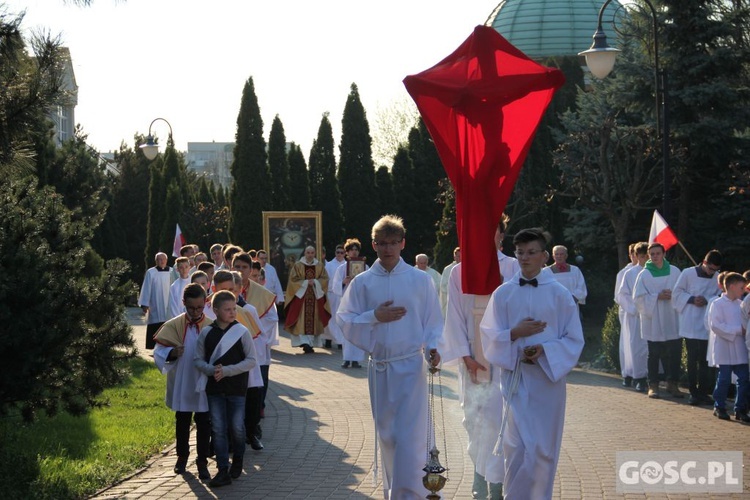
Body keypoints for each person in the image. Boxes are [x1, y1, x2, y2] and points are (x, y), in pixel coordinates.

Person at [337, 215, 443, 499]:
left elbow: (434, 321)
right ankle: (394, 491)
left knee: (411, 437)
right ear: (373, 245)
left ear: (403, 243)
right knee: (389, 437)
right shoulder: (362, 283)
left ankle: (413, 494)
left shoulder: (420, 280)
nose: (387, 249)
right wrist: (375, 316)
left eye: (393, 243)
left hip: (411, 366)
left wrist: (434, 347)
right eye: (382, 243)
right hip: (381, 368)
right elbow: (345, 320)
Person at [480, 228, 584, 500]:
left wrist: (544, 351)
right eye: (520, 253)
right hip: (514, 379)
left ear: (544, 256)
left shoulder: (560, 295)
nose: (525, 258)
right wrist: (514, 334)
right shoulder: (503, 294)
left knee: (542, 449)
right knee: (514, 446)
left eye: (531, 252)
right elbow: (489, 336)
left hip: (547, 383)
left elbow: (574, 339)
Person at [194, 290, 258, 487]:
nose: (232, 313)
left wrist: (228, 371)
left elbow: (251, 360)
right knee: (219, 429)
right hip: (215, 389)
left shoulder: (242, 332)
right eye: (227, 309)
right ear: (215, 310)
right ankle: (223, 470)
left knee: (237, 428)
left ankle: (237, 460)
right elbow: (197, 360)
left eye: (234, 309)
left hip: (237, 389)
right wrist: (212, 370)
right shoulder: (207, 332)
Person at [153, 283, 213, 480]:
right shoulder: (174, 325)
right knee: (182, 420)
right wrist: (172, 352)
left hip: (203, 381)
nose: (195, 312)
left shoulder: (212, 326)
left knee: (204, 422)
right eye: (191, 307)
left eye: (199, 307)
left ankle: (202, 460)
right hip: (182, 379)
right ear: (183, 304)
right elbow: (159, 352)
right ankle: (181, 457)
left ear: (205, 303)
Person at [633, 242, 684, 399]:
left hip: (671, 317)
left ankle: (672, 383)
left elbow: (683, 291)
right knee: (653, 353)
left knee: (674, 352)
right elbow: (638, 298)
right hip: (653, 319)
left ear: (664, 254)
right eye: (652, 254)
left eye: (658, 253)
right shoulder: (644, 274)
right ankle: (653, 385)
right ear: (649, 255)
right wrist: (657, 297)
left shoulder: (675, 271)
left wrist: (673, 295)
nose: (655, 256)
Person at [672, 250, 722, 405]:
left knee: (705, 360)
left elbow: (720, 294)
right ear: (704, 262)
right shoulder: (688, 273)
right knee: (692, 359)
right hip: (690, 322)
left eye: (715, 270)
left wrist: (708, 300)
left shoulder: (717, 276)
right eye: (710, 269)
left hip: (707, 323)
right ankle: (693, 392)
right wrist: (692, 299)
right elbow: (677, 293)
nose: (713, 272)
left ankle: (703, 391)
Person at [707, 273, 749, 422]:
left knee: (744, 379)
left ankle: (740, 409)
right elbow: (716, 326)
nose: (744, 290)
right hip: (724, 347)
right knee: (724, 379)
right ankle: (719, 406)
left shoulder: (741, 304)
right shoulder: (717, 304)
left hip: (739, 348)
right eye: (741, 287)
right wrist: (738, 330)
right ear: (731, 286)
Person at [284, 246, 331, 353]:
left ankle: (311, 343)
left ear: (315, 253)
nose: (310, 254)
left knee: (314, 320)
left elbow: (325, 279)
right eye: (308, 252)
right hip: (301, 299)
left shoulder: (319, 265)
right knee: (301, 320)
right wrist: (305, 283)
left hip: (315, 297)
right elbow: (292, 280)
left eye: (312, 252)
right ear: (304, 253)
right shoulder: (298, 265)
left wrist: (315, 282)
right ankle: (304, 343)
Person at [616, 242, 650, 392]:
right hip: (635, 316)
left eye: (648, 256)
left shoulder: (655, 272)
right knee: (635, 347)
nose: (646, 259)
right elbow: (622, 295)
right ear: (636, 257)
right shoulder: (629, 273)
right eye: (643, 256)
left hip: (652, 316)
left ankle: (654, 376)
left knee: (651, 348)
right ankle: (638, 377)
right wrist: (634, 309)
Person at [331, 238, 367, 369]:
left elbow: (370, 283)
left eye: (356, 250)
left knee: (358, 330)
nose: (355, 252)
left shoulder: (365, 267)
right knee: (346, 330)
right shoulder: (342, 269)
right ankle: (346, 358)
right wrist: (343, 282)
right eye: (352, 250)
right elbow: (335, 286)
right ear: (347, 252)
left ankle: (357, 359)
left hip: (359, 303)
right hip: (346, 302)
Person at [138, 252, 172, 350]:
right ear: (156, 261)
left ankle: (168, 345)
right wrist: (145, 304)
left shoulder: (172, 271)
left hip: (168, 302)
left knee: (168, 322)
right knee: (155, 322)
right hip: (155, 303)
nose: (161, 261)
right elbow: (146, 288)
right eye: (159, 259)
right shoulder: (151, 272)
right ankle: (153, 346)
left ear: (166, 260)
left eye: (163, 259)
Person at [322, 244, 347, 348]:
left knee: (340, 319)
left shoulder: (348, 265)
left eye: (342, 252)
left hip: (343, 295)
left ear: (345, 253)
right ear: (335, 253)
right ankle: (328, 339)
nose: (340, 254)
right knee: (330, 318)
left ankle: (340, 341)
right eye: (338, 252)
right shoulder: (329, 265)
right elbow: (325, 280)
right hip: (331, 294)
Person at [439, 247, 460, 316]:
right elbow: (443, 286)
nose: (460, 258)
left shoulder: (468, 268)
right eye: (458, 256)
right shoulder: (448, 269)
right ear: (454, 257)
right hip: (451, 299)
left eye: (461, 256)